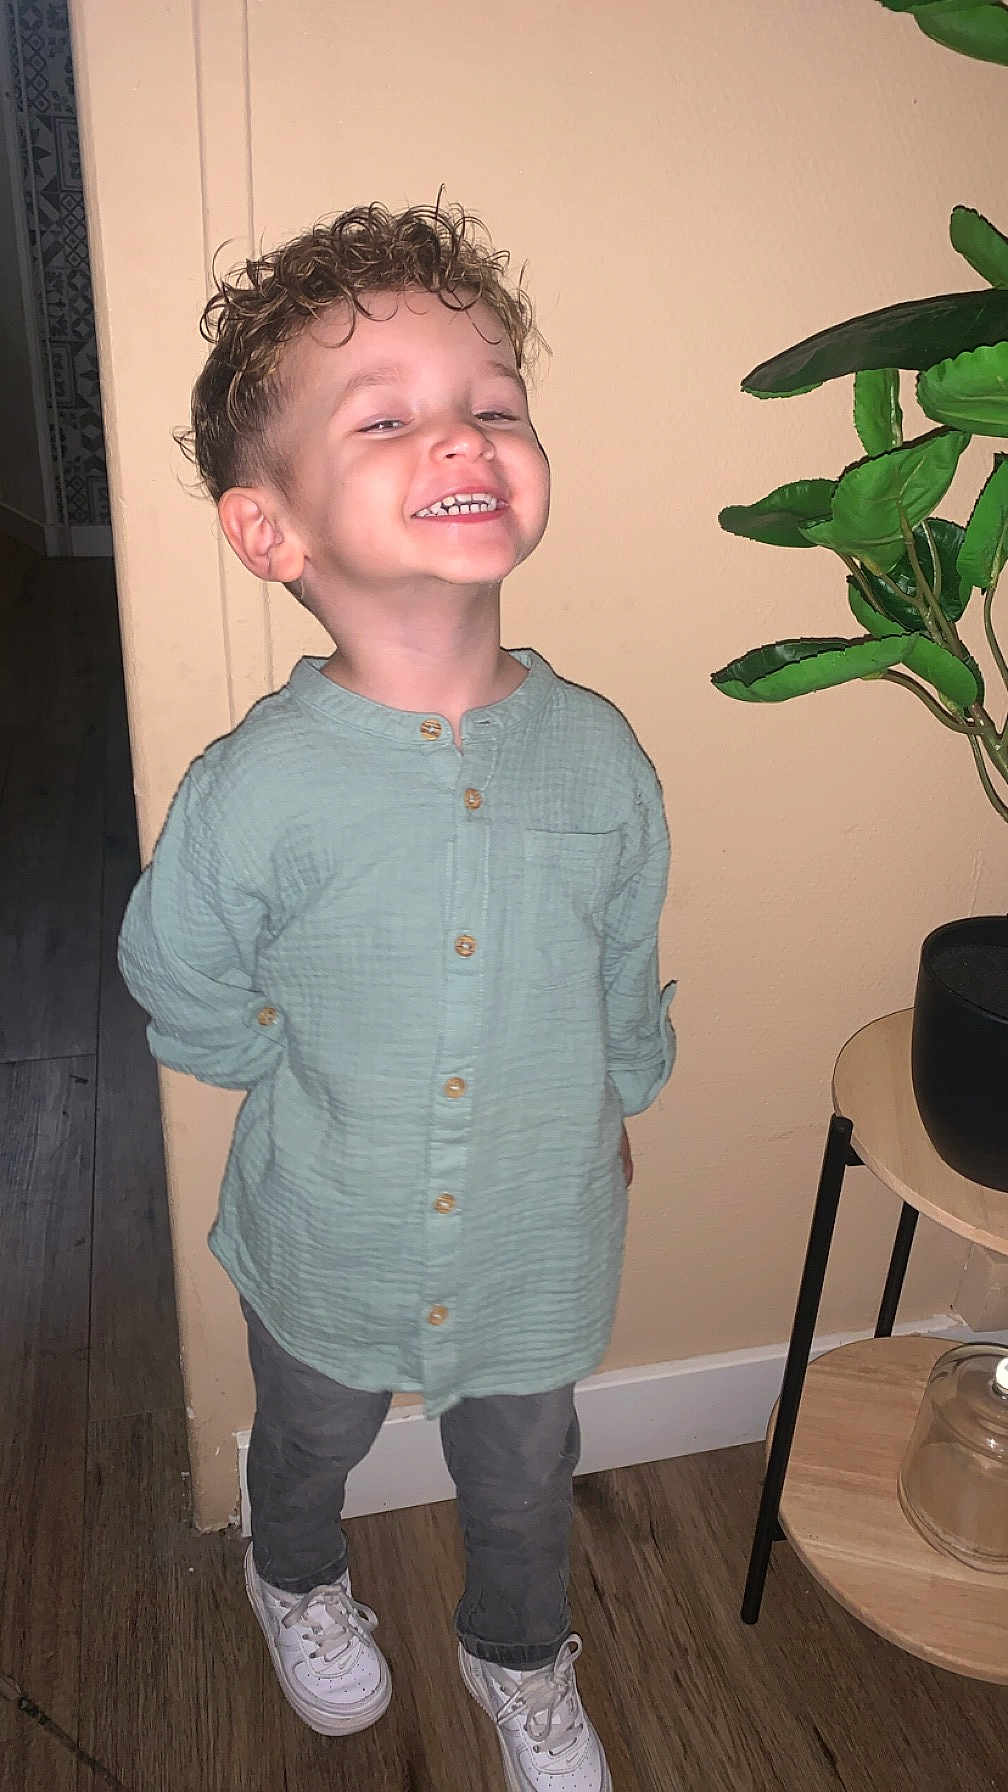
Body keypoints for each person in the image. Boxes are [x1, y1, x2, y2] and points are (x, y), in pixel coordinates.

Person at [118, 198, 676, 1791]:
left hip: (536, 1222)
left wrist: (620, 1086)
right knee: (309, 1436)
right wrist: (269, 1070)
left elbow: (620, 945)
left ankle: (520, 1657)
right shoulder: (261, 787)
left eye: (494, 401)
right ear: (268, 531)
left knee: (524, 1471)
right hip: (329, 1220)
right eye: (389, 415)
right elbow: (182, 967)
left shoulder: (599, 756)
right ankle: (290, 1568)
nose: (465, 433)